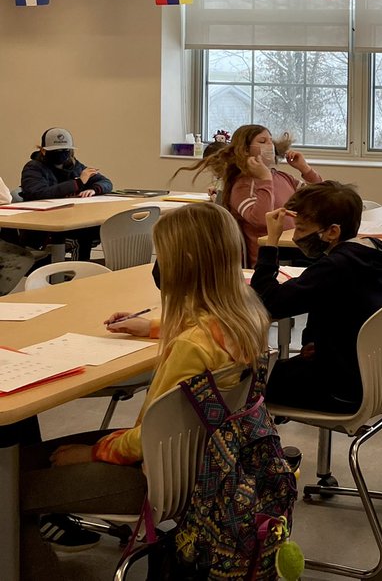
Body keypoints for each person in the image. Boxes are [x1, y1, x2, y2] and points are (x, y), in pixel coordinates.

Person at [18, 203, 269, 579]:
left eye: (161, 256)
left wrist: (93, 452)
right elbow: (204, 335)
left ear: (181, 261)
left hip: (157, 477)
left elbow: (143, 439)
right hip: (204, 466)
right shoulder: (246, 316)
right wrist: (152, 327)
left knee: (9, 488)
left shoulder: (191, 346)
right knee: (25, 457)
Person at [252, 181, 382, 412]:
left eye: (301, 229)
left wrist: (271, 242)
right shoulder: (370, 253)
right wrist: (316, 341)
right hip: (372, 376)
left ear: (332, 231)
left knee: (239, 384)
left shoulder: (336, 267)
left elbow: (267, 303)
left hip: (340, 387)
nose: (296, 236)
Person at [174, 124, 322, 265]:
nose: (270, 145)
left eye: (271, 141)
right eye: (263, 141)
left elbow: (321, 196)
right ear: (245, 150)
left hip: (295, 249)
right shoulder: (242, 185)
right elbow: (262, 220)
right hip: (272, 258)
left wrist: (305, 169)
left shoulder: (282, 177)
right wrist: (265, 179)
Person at [20, 128, 113, 260]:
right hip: (44, 230)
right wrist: (78, 183)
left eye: (65, 151)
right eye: (56, 151)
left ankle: (88, 273)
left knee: (101, 231)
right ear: (43, 150)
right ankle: (78, 276)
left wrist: (95, 189)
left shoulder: (74, 165)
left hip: (70, 222)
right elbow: (39, 193)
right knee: (82, 239)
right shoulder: (33, 167)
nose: (62, 154)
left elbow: (106, 182)